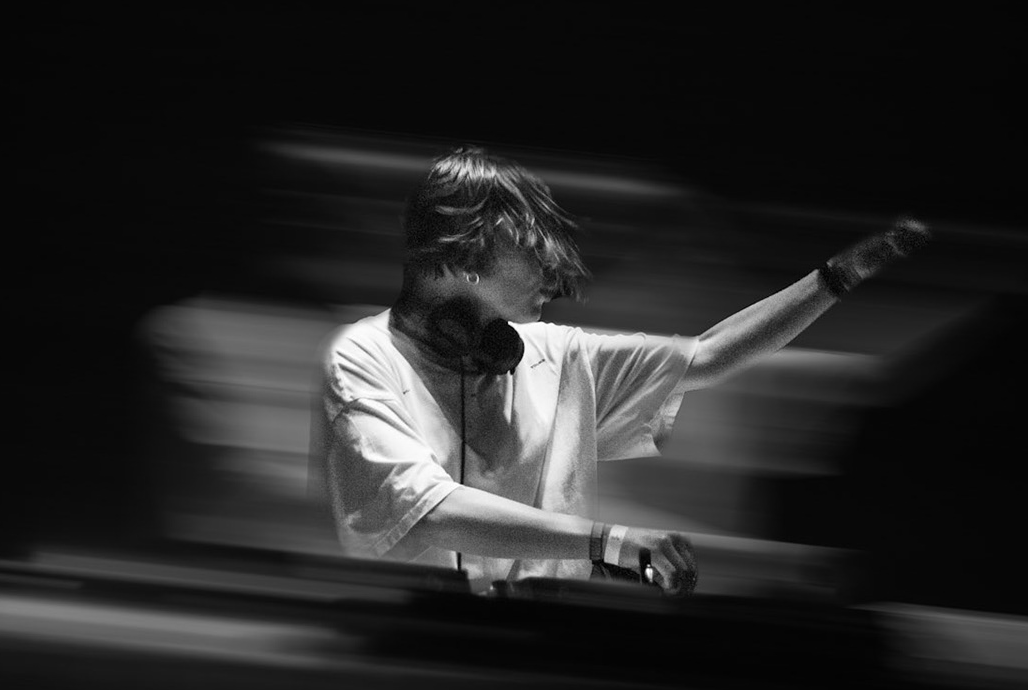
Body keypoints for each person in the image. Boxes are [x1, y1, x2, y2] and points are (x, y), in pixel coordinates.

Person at [312, 145, 927, 596]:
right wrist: (607, 541)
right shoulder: (362, 358)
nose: (554, 277)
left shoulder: (555, 355)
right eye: (533, 253)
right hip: (415, 641)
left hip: (542, 643)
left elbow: (711, 355)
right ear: (467, 253)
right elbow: (429, 510)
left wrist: (837, 277)